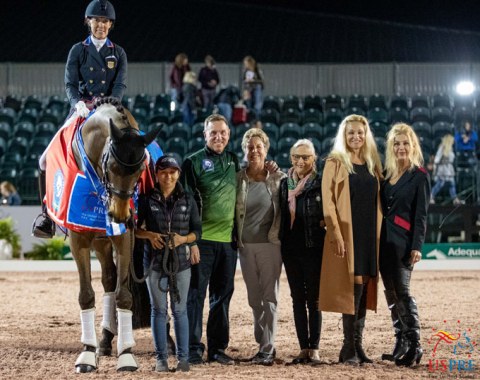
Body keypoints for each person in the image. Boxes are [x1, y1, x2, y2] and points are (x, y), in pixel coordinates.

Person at [33, 0, 127, 238]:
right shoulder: (78, 50)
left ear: (110, 25)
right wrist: (77, 104)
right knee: (44, 160)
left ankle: (141, 211)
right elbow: (70, 83)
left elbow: (120, 84)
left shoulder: (118, 53)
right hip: (82, 108)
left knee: (144, 153)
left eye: (106, 22)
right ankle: (46, 216)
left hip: (109, 108)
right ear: (88, 22)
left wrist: (110, 103)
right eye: (97, 20)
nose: (101, 25)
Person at [319, 114, 383, 365]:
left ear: (366, 135)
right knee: (352, 287)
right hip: (347, 233)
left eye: (360, 132)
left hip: (369, 234)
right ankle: (347, 347)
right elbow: (329, 202)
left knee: (364, 286)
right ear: (343, 136)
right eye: (351, 132)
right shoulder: (335, 162)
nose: (356, 136)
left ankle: (357, 346)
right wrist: (336, 234)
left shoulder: (372, 164)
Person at [180, 113, 239, 365]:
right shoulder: (192, 162)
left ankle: (217, 349)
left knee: (222, 297)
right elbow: (186, 204)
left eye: (222, 132)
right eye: (213, 132)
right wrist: (191, 241)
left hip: (228, 242)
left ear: (228, 134)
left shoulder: (234, 160)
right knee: (195, 296)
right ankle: (193, 348)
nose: (218, 136)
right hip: (201, 242)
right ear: (205, 134)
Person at [135, 155, 201, 372]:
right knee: (159, 310)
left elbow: (197, 232)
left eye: (172, 172)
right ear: (156, 174)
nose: (168, 176)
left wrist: (183, 239)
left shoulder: (188, 199)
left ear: (178, 174)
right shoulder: (146, 199)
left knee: (180, 310)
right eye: (163, 172)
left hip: (181, 263)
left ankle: (183, 359)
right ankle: (160, 359)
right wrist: (149, 235)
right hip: (154, 263)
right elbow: (134, 229)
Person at [380, 123, 430, 367]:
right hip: (383, 243)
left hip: (403, 244)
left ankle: (415, 344)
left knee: (403, 292)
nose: (401, 147)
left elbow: (421, 215)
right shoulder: (386, 174)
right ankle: (401, 341)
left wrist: (417, 246)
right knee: (390, 294)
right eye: (397, 143)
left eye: (405, 143)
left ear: (412, 146)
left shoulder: (419, 175)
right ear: (392, 146)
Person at [235, 128, 285, 365]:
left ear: (266, 150)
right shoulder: (238, 179)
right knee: (254, 298)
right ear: (245, 150)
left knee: (269, 297)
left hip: (270, 245)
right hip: (245, 247)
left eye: (258, 147)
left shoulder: (278, 178)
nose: (254, 150)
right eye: (250, 147)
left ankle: (268, 348)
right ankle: (262, 338)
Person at [279, 139, 325, 365]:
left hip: (314, 248)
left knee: (314, 300)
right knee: (297, 299)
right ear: (291, 158)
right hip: (290, 250)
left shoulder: (320, 182)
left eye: (306, 157)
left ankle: (314, 347)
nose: (301, 161)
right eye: (297, 156)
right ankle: (303, 347)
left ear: (314, 159)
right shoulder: (283, 183)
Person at [430, 134, 461, 205]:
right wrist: (435, 167)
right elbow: (437, 159)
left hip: (449, 169)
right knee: (440, 183)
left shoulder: (450, 148)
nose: (453, 142)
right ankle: (431, 196)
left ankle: (455, 199)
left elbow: (452, 159)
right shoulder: (442, 147)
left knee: (452, 184)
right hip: (442, 169)